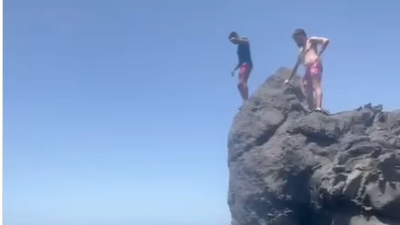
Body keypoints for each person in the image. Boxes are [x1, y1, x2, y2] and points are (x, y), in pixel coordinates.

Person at [284, 28, 330, 113]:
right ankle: (312, 109)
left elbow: (326, 40)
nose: (296, 42)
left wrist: (320, 53)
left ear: (302, 36)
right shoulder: (301, 51)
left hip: (314, 65)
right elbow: (296, 66)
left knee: (316, 85)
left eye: (297, 40)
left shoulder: (311, 41)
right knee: (307, 90)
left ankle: (318, 107)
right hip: (307, 69)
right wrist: (289, 79)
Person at [229, 31, 253, 105]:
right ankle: (245, 100)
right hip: (242, 65)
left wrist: (237, 40)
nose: (233, 43)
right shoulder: (238, 49)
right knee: (239, 85)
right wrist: (234, 69)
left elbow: (247, 42)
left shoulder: (243, 40)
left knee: (242, 82)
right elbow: (240, 62)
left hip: (247, 64)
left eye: (232, 41)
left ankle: (247, 100)